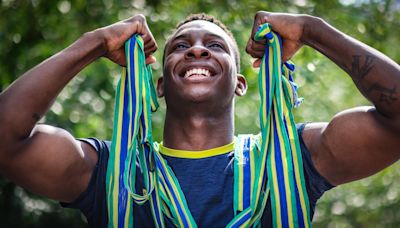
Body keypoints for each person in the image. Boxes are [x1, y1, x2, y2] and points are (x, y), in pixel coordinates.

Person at [0, 11, 399, 227]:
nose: (196, 52)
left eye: (214, 46)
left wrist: (314, 29)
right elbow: (6, 137)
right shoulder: (112, 173)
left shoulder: (292, 161)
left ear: (240, 84)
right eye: (180, 46)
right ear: (157, 85)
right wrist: (95, 43)